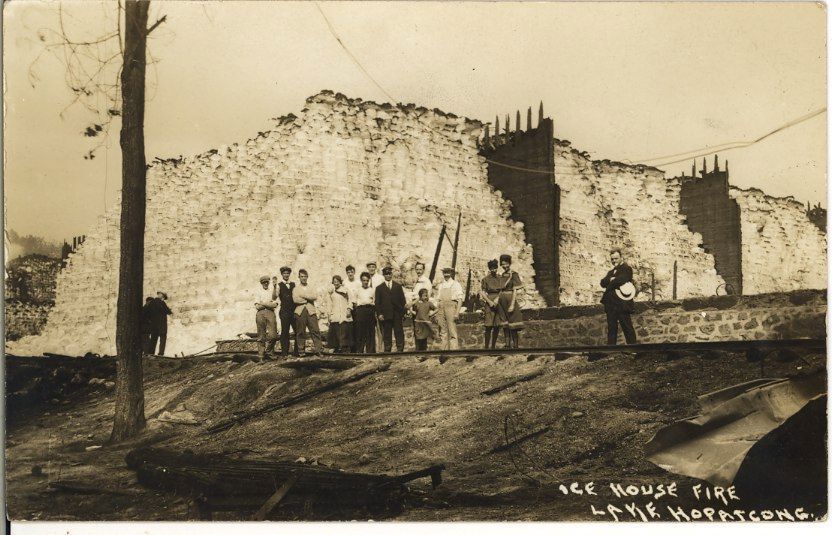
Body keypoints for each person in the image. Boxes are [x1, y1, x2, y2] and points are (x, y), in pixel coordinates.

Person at [600, 248, 638, 345]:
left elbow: (622, 279)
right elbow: (602, 283)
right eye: (612, 259)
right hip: (610, 304)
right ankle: (611, 350)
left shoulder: (626, 268)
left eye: (616, 258)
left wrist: (612, 280)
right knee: (612, 328)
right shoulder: (611, 272)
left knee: (627, 326)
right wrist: (611, 279)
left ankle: (633, 348)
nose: (614, 261)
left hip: (622, 303)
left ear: (621, 257)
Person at [375, 266, 407, 352]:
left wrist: (403, 313)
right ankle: (387, 350)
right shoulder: (379, 288)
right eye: (386, 274)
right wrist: (379, 314)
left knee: (399, 332)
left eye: (389, 274)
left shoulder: (398, 286)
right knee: (387, 334)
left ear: (391, 274)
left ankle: (400, 350)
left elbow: (403, 300)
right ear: (383, 275)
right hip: (386, 315)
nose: (388, 275)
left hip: (397, 314)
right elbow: (377, 303)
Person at [496, 254, 524, 349]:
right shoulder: (502, 275)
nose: (504, 266)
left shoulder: (514, 274)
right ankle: (507, 345)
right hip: (502, 300)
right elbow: (500, 290)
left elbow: (515, 290)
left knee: (513, 323)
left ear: (509, 263)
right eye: (503, 264)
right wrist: (497, 299)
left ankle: (515, 346)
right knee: (505, 323)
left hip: (510, 298)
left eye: (506, 264)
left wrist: (512, 304)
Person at [293, 269, 323, 355]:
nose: (303, 278)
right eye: (302, 276)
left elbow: (314, 296)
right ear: (299, 277)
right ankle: (301, 351)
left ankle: (318, 350)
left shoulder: (311, 287)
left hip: (311, 311)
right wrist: (307, 300)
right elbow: (295, 300)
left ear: (307, 277)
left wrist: (303, 296)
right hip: (300, 312)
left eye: (305, 276)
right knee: (301, 332)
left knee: (315, 330)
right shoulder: (296, 289)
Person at [435, 267, 464, 350]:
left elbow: (460, 300)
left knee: (452, 330)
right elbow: (438, 300)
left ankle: (454, 351)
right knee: (443, 331)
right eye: (444, 272)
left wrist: (457, 313)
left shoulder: (455, 284)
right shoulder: (441, 285)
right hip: (441, 307)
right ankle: (444, 351)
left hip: (451, 307)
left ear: (451, 273)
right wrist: (438, 312)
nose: (446, 274)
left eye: (448, 272)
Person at [276, 266, 300, 357]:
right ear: (282, 274)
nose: (286, 275)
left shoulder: (293, 284)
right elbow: (275, 297)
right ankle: (284, 353)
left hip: (294, 311)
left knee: (297, 331)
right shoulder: (279, 285)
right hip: (284, 312)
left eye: (287, 273)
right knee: (285, 332)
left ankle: (297, 352)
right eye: (284, 273)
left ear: (289, 274)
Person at [480, 259, 503, 349]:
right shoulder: (485, 279)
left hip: (498, 301)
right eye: (491, 268)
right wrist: (489, 301)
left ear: (497, 268)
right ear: (489, 269)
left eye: (495, 268)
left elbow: (502, 290)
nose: (493, 270)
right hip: (489, 301)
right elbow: (482, 292)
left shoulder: (500, 278)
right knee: (488, 326)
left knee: (497, 325)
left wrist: (498, 298)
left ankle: (493, 346)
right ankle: (486, 347)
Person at [254, 277, 278, 361]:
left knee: (273, 335)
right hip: (260, 314)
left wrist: (263, 303)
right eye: (264, 282)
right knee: (261, 336)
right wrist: (268, 304)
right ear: (261, 283)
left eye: (267, 282)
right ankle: (261, 356)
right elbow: (257, 307)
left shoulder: (272, 292)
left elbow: (275, 305)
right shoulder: (258, 292)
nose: (266, 284)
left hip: (270, 313)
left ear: (269, 282)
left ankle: (269, 352)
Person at [326, 275, 352, 353]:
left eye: (337, 281)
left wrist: (349, 309)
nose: (336, 283)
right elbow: (329, 304)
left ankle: (345, 349)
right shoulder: (331, 292)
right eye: (334, 282)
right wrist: (329, 314)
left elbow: (350, 300)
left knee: (344, 332)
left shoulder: (346, 290)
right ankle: (336, 349)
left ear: (340, 282)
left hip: (344, 314)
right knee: (335, 333)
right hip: (335, 315)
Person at [352, 272, 376, 353]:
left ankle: (370, 352)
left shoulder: (372, 290)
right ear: (361, 281)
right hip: (360, 311)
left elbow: (374, 301)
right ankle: (360, 351)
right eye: (363, 280)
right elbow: (354, 302)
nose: (365, 282)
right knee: (360, 332)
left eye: (367, 280)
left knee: (370, 332)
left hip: (370, 310)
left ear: (369, 280)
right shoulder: (357, 290)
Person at [146, 291, 173, 356]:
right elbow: (169, 312)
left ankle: (150, 354)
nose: (163, 298)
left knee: (153, 340)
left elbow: (147, 314)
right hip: (162, 325)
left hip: (154, 325)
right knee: (162, 339)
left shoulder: (151, 303)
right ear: (162, 296)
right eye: (163, 297)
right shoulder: (162, 303)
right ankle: (161, 354)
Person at [343, 265, 362, 352]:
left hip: (357, 306)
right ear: (346, 273)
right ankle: (351, 349)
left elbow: (360, 294)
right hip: (348, 307)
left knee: (358, 328)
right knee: (349, 328)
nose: (350, 274)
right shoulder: (344, 283)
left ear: (354, 272)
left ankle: (359, 348)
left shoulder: (358, 282)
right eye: (348, 272)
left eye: (351, 272)